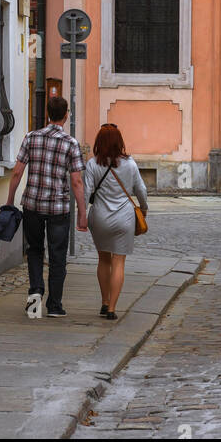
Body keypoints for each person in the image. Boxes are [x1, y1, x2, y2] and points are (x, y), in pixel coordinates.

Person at [6, 95, 87, 317]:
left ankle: (34, 303)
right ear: (66, 114)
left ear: (47, 114)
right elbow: (77, 181)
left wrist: (10, 201)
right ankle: (54, 306)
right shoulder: (70, 143)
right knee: (57, 255)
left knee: (34, 251)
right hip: (58, 208)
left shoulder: (31, 138)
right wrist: (82, 212)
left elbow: (17, 172)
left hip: (32, 204)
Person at [84, 123, 148, 319]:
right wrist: (143, 208)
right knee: (119, 262)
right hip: (125, 218)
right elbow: (141, 191)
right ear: (119, 142)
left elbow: (86, 193)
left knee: (103, 260)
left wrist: (80, 215)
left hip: (100, 217)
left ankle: (104, 302)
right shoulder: (130, 164)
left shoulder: (93, 164)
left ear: (99, 142)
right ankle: (112, 308)